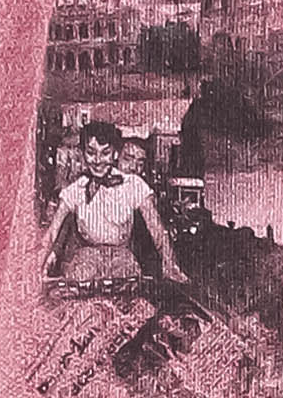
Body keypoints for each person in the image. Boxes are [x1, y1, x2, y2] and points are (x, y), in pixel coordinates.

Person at [41, 120, 188, 289]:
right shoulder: (76, 189)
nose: (98, 160)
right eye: (91, 153)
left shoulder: (133, 184)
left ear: (115, 154)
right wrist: (40, 264)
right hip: (86, 257)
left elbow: (157, 229)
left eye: (105, 153)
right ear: (82, 153)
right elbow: (52, 232)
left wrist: (170, 264)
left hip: (122, 257)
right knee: (80, 284)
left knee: (129, 286)